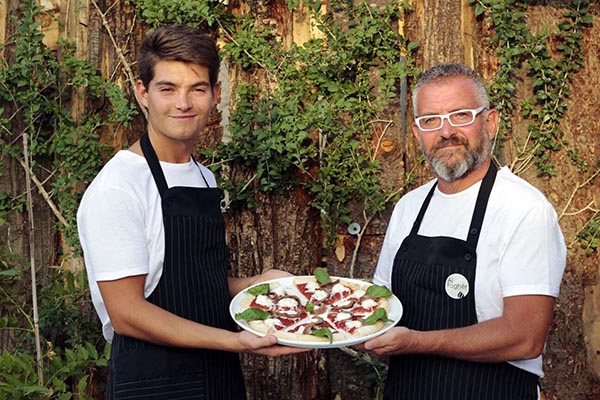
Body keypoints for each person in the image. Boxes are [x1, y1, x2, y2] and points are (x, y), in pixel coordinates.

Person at [77, 24, 306, 400]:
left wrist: (257, 284)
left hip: (217, 377)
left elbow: (192, 285)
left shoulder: (202, 176)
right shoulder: (120, 186)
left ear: (215, 94)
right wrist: (236, 343)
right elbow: (127, 313)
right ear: (143, 94)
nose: (183, 103)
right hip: (154, 384)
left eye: (197, 88)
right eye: (167, 88)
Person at [358, 63, 566, 400]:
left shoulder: (523, 208)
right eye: (430, 120)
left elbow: (524, 337)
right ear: (416, 133)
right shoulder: (408, 208)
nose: (445, 132)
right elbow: (380, 306)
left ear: (491, 122)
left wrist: (419, 342)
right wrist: (309, 313)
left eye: (460, 115)